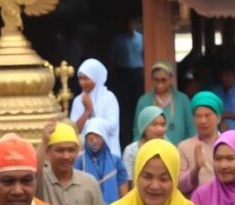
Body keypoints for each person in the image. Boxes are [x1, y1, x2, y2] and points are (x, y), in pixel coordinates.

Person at [36, 121, 104, 205]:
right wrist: (44, 142)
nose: (66, 156)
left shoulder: (89, 182)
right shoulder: (42, 179)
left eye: (71, 150)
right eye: (60, 150)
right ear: (48, 152)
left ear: (78, 151)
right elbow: (32, 172)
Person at [132, 61, 195, 145]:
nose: (159, 84)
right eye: (156, 80)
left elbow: (191, 129)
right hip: (150, 153)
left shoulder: (182, 99)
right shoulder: (143, 101)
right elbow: (138, 131)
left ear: (171, 78)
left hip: (179, 152)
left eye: (163, 80)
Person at [70, 58, 121, 157]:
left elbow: (112, 126)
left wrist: (91, 121)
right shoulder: (78, 100)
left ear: (96, 77)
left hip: (109, 152)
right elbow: (74, 129)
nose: (82, 82)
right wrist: (87, 111)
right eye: (80, 79)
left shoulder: (109, 97)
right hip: (85, 154)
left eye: (86, 79)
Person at [178, 91, 223, 196]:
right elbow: (179, 185)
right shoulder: (183, 147)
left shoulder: (230, 144)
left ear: (219, 118)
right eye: (198, 116)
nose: (203, 121)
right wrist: (196, 169)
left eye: (208, 115)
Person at [76, 117, 129, 205]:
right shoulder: (80, 160)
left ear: (104, 138)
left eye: (98, 138)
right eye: (91, 139)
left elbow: (123, 192)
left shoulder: (116, 161)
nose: (94, 142)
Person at [109, 17, 145, 148]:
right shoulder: (118, 39)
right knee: (125, 106)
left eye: (132, 23)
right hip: (123, 73)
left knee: (138, 102)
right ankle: (126, 136)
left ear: (135, 24)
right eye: (127, 23)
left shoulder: (141, 38)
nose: (130, 26)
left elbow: (145, 55)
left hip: (137, 72)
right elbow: (112, 59)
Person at [123, 106, 168, 180]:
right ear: (143, 126)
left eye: (163, 125)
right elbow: (127, 180)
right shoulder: (131, 150)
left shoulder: (170, 149)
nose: (160, 129)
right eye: (154, 125)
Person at [211, 65, 235, 130]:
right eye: (222, 75)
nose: (224, 78)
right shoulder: (215, 90)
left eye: (227, 75)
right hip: (217, 125)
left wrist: (225, 115)